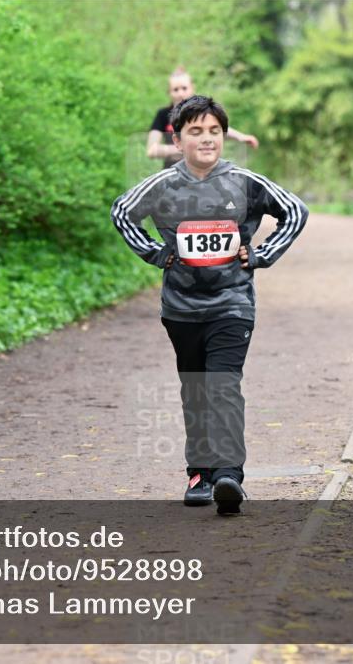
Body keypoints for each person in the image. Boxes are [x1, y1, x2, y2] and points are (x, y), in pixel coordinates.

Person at [113, 95, 308, 514]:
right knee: (196, 389)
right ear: (177, 139)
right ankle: (199, 474)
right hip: (181, 308)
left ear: (223, 136)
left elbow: (295, 211)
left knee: (223, 383)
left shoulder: (244, 182)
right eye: (196, 131)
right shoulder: (162, 186)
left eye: (215, 131)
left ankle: (228, 475)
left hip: (232, 303)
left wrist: (261, 254)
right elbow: (122, 212)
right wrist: (155, 252)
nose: (207, 139)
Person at [147, 67, 259, 169]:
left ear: (192, 88)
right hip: (173, 173)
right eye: (176, 89)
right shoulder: (163, 115)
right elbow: (152, 150)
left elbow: (217, 129)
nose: (180, 93)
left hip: (203, 171)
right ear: (169, 92)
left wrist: (240, 137)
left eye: (184, 88)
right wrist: (186, 148)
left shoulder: (201, 111)